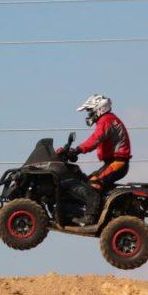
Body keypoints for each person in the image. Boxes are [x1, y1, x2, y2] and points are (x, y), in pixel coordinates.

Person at [57, 94, 132, 226]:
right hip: (113, 162)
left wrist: (78, 150)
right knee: (87, 181)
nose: (89, 114)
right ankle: (85, 211)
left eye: (90, 110)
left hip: (118, 162)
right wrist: (74, 151)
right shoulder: (107, 119)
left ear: (99, 109)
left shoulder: (106, 120)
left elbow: (95, 140)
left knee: (94, 183)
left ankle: (91, 217)